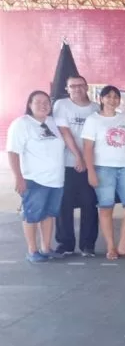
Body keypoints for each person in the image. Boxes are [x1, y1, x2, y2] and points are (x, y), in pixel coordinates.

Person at [81, 85, 125, 260]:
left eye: (116, 97)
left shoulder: (123, 118)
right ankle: (111, 247)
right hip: (103, 169)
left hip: (124, 168)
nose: (112, 100)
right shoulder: (93, 120)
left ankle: (123, 245)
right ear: (101, 99)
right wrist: (90, 171)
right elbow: (87, 148)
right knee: (106, 208)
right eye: (108, 96)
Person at [7, 91, 66, 262]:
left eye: (46, 102)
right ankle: (33, 251)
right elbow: (13, 152)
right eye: (38, 102)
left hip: (56, 179)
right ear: (29, 104)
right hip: (34, 180)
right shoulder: (21, 124)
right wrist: (18, 177)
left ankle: (46, 248)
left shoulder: (52, 122)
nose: (43, 105)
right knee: (32, 215)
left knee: (48, 214)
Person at [53, 75, 100, 257]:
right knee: (64, 204)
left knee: (90, 203)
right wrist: (78, 157)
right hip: (67, 164)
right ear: (67, 89)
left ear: (87, 86)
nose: (77, 89)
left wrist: (87, 161)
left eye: (80, 85)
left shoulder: (95, 108)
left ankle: (88, 245)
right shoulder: (61, 105)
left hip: (90, 164)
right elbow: (65, 132)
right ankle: (65, 244)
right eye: (73, 86)